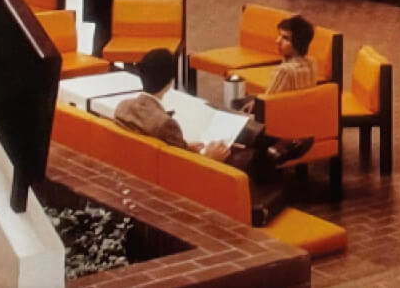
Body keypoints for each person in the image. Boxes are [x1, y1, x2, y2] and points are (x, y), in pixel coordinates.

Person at [113, 48, 312, 226]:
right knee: (250, 159)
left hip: (147, 172)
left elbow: (169, 150)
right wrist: (208, 157)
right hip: (186, 182)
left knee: (245, 151)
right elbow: (181, 170)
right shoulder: (164, 123)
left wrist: (186, 146)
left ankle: (276, 149)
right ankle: (275, 160)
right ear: (169, 81)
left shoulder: (123, 108)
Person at [233, 14, 316, 114]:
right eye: (279, 35)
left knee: (235, 103)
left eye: (285, 38)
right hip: (300, 112)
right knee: (249, 98)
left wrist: (255, 103)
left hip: (280, 118)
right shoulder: (311, 63)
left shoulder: (284, 71)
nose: (277, 41)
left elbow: (267, 104)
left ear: (298, 43)